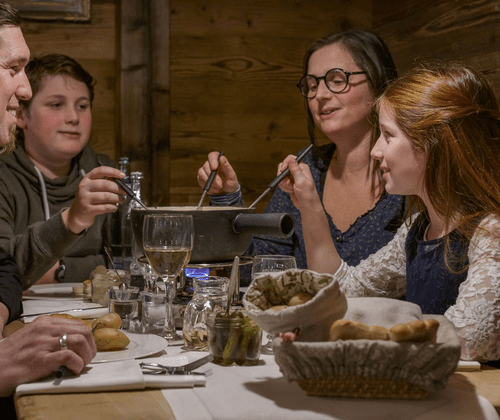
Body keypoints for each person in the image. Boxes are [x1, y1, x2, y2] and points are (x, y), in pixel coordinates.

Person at [281, 61, 500, 362]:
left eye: (387, 135)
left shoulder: (490, 231)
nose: (375, 151)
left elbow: (470, 338)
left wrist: (370, 326)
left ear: (434, 143)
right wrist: (309, 204)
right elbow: (343, 290)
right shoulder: (416, 228)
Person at [198, 29, 405, 283]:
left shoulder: (406, 171)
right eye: (312, 85)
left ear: (380, 83)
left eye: (337, 80)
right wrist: (228, 199)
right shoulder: (307, 167)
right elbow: (256, 271)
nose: (320, 95)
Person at [0, 2, 96, 407]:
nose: (23, 91)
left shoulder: (102, 169)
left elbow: (3, 268)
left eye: (82, 106)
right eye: (12, 68)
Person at [0, 53, 128, 288]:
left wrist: (60, 270)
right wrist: (72, 220)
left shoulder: (104, 173)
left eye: (82, 106)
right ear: (21, 115)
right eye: (56, 105)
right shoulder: (3, 175)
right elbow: (4, 267)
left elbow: (129, 263)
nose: (73, 117)